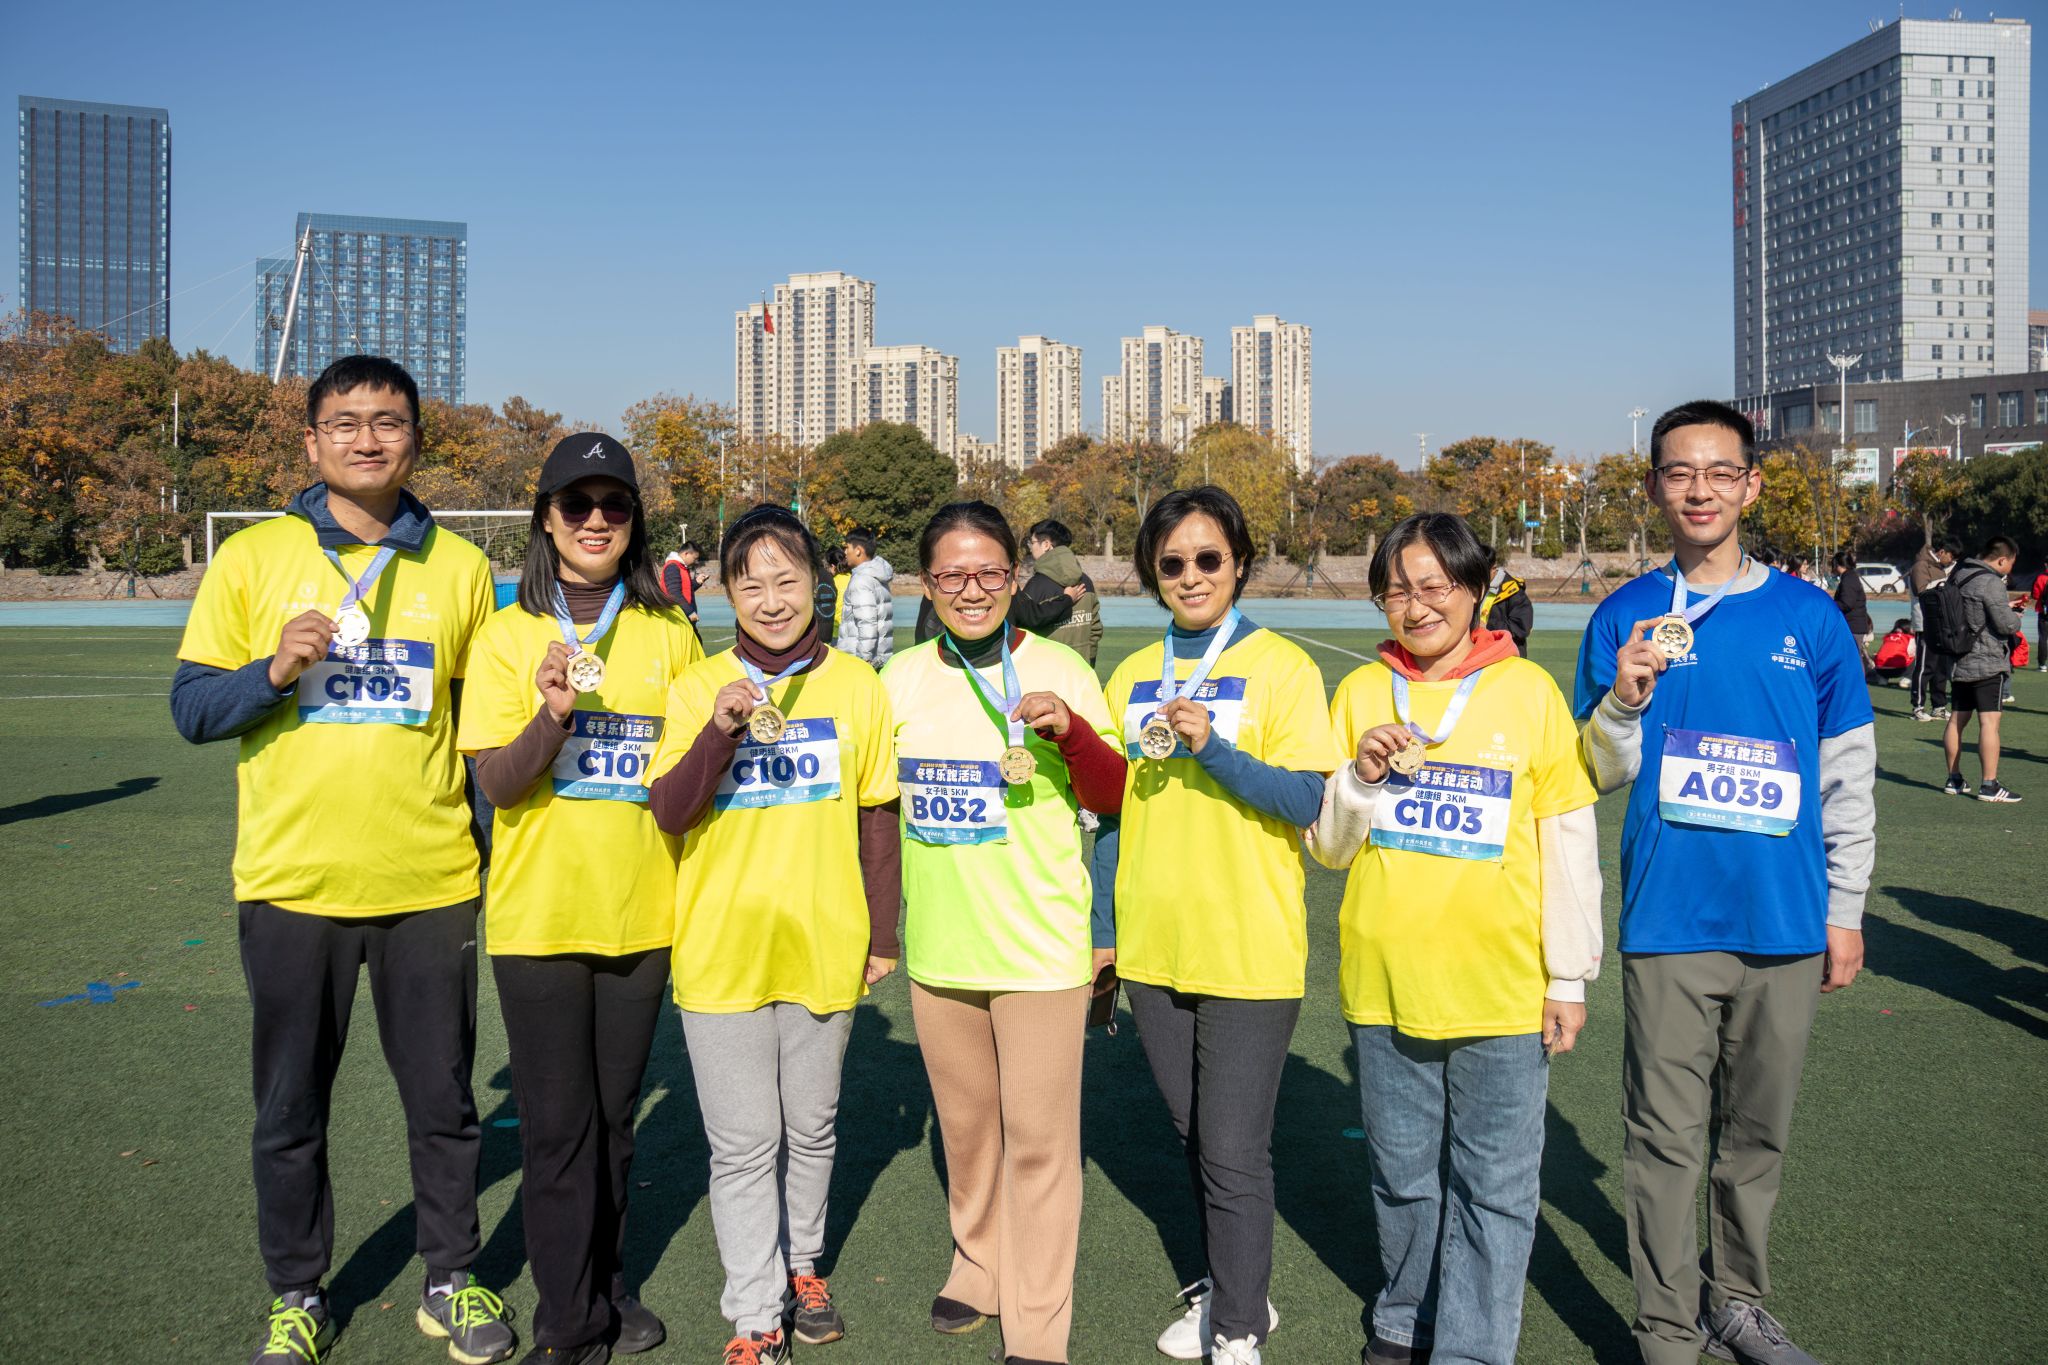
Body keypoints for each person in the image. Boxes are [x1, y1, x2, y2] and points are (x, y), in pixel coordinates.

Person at [170, 355, 517, 1365]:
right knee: (289, 1109)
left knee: (445, 1104)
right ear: (311, 440)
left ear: (416, 439)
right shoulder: (252, 559)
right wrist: (274, 669)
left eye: (389, 421)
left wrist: (489, 864)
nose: (368, 438)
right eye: (346, 422)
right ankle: (297, 1293)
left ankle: (450, 1278)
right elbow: (193, 710)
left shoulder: (460, 569)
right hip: (292, 884)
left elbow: (476, 734)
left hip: (430, 885)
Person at [1575, 400, 1874, 1365]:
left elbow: (1848, 775)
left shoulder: (1809, 616)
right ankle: (1668, 1330)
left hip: (1785, 921)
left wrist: (1845, 910)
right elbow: (1594, 771)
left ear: (1750, 484)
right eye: (1678, 471)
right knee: (1663, 1138)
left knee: (1756, 1135)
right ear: (1654, 486)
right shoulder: (1623, 616)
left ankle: (1736, 1302)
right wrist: (1624, 702)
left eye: (1718, 471)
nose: (1698, 489)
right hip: (1669, 920)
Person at [1306, 512, 1602, 1365]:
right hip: (1384, 981)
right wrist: (1359, 777)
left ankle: (1471, 1349)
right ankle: (1406, 1315)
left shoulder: (1529, 692)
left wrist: (1568, 977)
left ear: (1475, 591)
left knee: (1494, 1187)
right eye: (1397, 589)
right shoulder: (1362, 693)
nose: (1417, 604)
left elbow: (1568, 842)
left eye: (1435, 585)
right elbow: (1327, 847)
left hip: (1503, 988)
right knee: (1402, 1175)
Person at [458, 434, 702, 1364]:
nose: (596, 520)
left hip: (644, 913)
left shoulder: (669, 633)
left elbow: (689, 777)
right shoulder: (505, 634)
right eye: (576, 504)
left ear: (635, 521)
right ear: (546, 519)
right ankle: (568, 1324)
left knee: (615, 1123)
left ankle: (608, 1285)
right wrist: (553, 713)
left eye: (615, 504)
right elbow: (499, 783)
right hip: (541, 921)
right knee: (558, 1130)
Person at [646, 505, 900, 1365]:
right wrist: (719, 729)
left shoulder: (859, 686)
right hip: (721, 949)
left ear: (817, 582)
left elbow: (877, 817)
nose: (771, 598)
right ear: (725, 591)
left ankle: (804, 1267)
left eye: (787, 578)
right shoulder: (697, 686)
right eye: (750, 583)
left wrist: (883, 934)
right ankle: (755, 1312)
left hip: (824, 940)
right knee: (743, 1145)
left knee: (814, 1128)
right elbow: (671, 809)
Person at [1099, 485, 1340, 1365]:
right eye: (1172, 562)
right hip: (1154, 944)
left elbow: (1305, 798)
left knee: (1233, 1147)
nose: (1191, 574)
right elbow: (1113, 816)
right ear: (1151, 572)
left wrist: (1215, 748)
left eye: (1209, 558)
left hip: (1247, 943)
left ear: (1239, 563)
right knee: (1196, 1136)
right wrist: (1105, 932)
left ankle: (1237, 1331)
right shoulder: (1130, 674)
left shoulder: (1282, 666)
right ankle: (1237, 1291)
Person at [883, 502, 1127, 1365]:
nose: (972, 589)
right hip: (941, 947)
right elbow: (873, 810)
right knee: (966, 1129)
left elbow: (1113, 794)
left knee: (1040, 1142)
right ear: (927, 584)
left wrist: (1074, 732)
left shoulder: (1064, 667)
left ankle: (1037, 1322)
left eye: (989, 571)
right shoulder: (899, 678)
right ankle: (978, 1261)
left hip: (1041, 949)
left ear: (1017, 577)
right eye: (952, 574)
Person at [1939, 536, 2023, 803]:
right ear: (2002, 560)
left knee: (1957, 720)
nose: (2010, 568)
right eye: (2011, 563)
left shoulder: (1958, 575)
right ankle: (1989, 784)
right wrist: (2016, 617)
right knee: (1989, 723)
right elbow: (2005, 625)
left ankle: (1953, 779)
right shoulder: (1991, 582)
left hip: (1959, 657)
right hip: (1987, 660)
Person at [1015, 519, 1099, 663]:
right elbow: (1095, 629)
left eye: (1032, 542)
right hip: (1081, 667)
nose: (1030, 547)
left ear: (1046, 545)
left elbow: (1021, 633)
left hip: (1045, 668)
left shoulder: (1036, 585)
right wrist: (1089, 662)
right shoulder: (1086, 581)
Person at [1908, 544, 1960, 722]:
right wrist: (1945, 584)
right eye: (1951, 556)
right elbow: (1921, 590)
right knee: (1925, 667)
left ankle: (1939, 706)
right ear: (1942, 551)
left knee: (1941, 668)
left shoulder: (1939, 568)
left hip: (1941, 624)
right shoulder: (1920, 565)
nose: (1952, 561)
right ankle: (1918, 707)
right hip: (1924, 623)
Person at [835, 530, 896, 668]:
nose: (845, 552)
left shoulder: (861, 581)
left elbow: (867, 623)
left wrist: (864, 658)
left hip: (860, 662)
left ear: (858, 550)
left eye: (847, 547)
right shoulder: (876, 576)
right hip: (879, 657)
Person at [1476, 544, 1533, 656]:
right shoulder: (1470, 588)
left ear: (1494, 568)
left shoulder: (1514, 591)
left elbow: (1522, 627)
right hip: (1478, 655)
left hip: (1506, 658)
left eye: (1481, 572)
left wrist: (1486, 625)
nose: (1476, 576)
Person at [1829, 550, 1874, 679]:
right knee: (1853, 656)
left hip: (1853, 625)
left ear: (1837, 565)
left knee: (1853, 657)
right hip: (1854, 624)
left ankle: (1858, 683)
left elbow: (1847, 603)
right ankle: (1856, 682)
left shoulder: (1849, 579)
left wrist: (1830, 605)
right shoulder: (1850, 577)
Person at [661, 540, 705, 628]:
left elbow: (685, 589)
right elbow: (674, 593)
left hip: (682, 617)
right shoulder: (672, 567)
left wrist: (697, 582)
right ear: (686, 554)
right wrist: (690, 612)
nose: (695, 561)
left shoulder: (681, 567)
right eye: (694, 558)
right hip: (678, 619)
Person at [1872, 618, 1915, 685]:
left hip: (1880, 669)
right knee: (1918, 657)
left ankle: (1883, 679)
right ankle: (1907, 679)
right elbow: (1912, 653)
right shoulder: (1910, 638)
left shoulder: (1888, 637)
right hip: (1898, 670)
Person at [2031, 555, 2047, 671]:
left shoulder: (2041, 578)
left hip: (2044, 612)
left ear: (2045, 564)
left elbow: (2035, 595)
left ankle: (2042, 665)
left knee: (2043, 638)